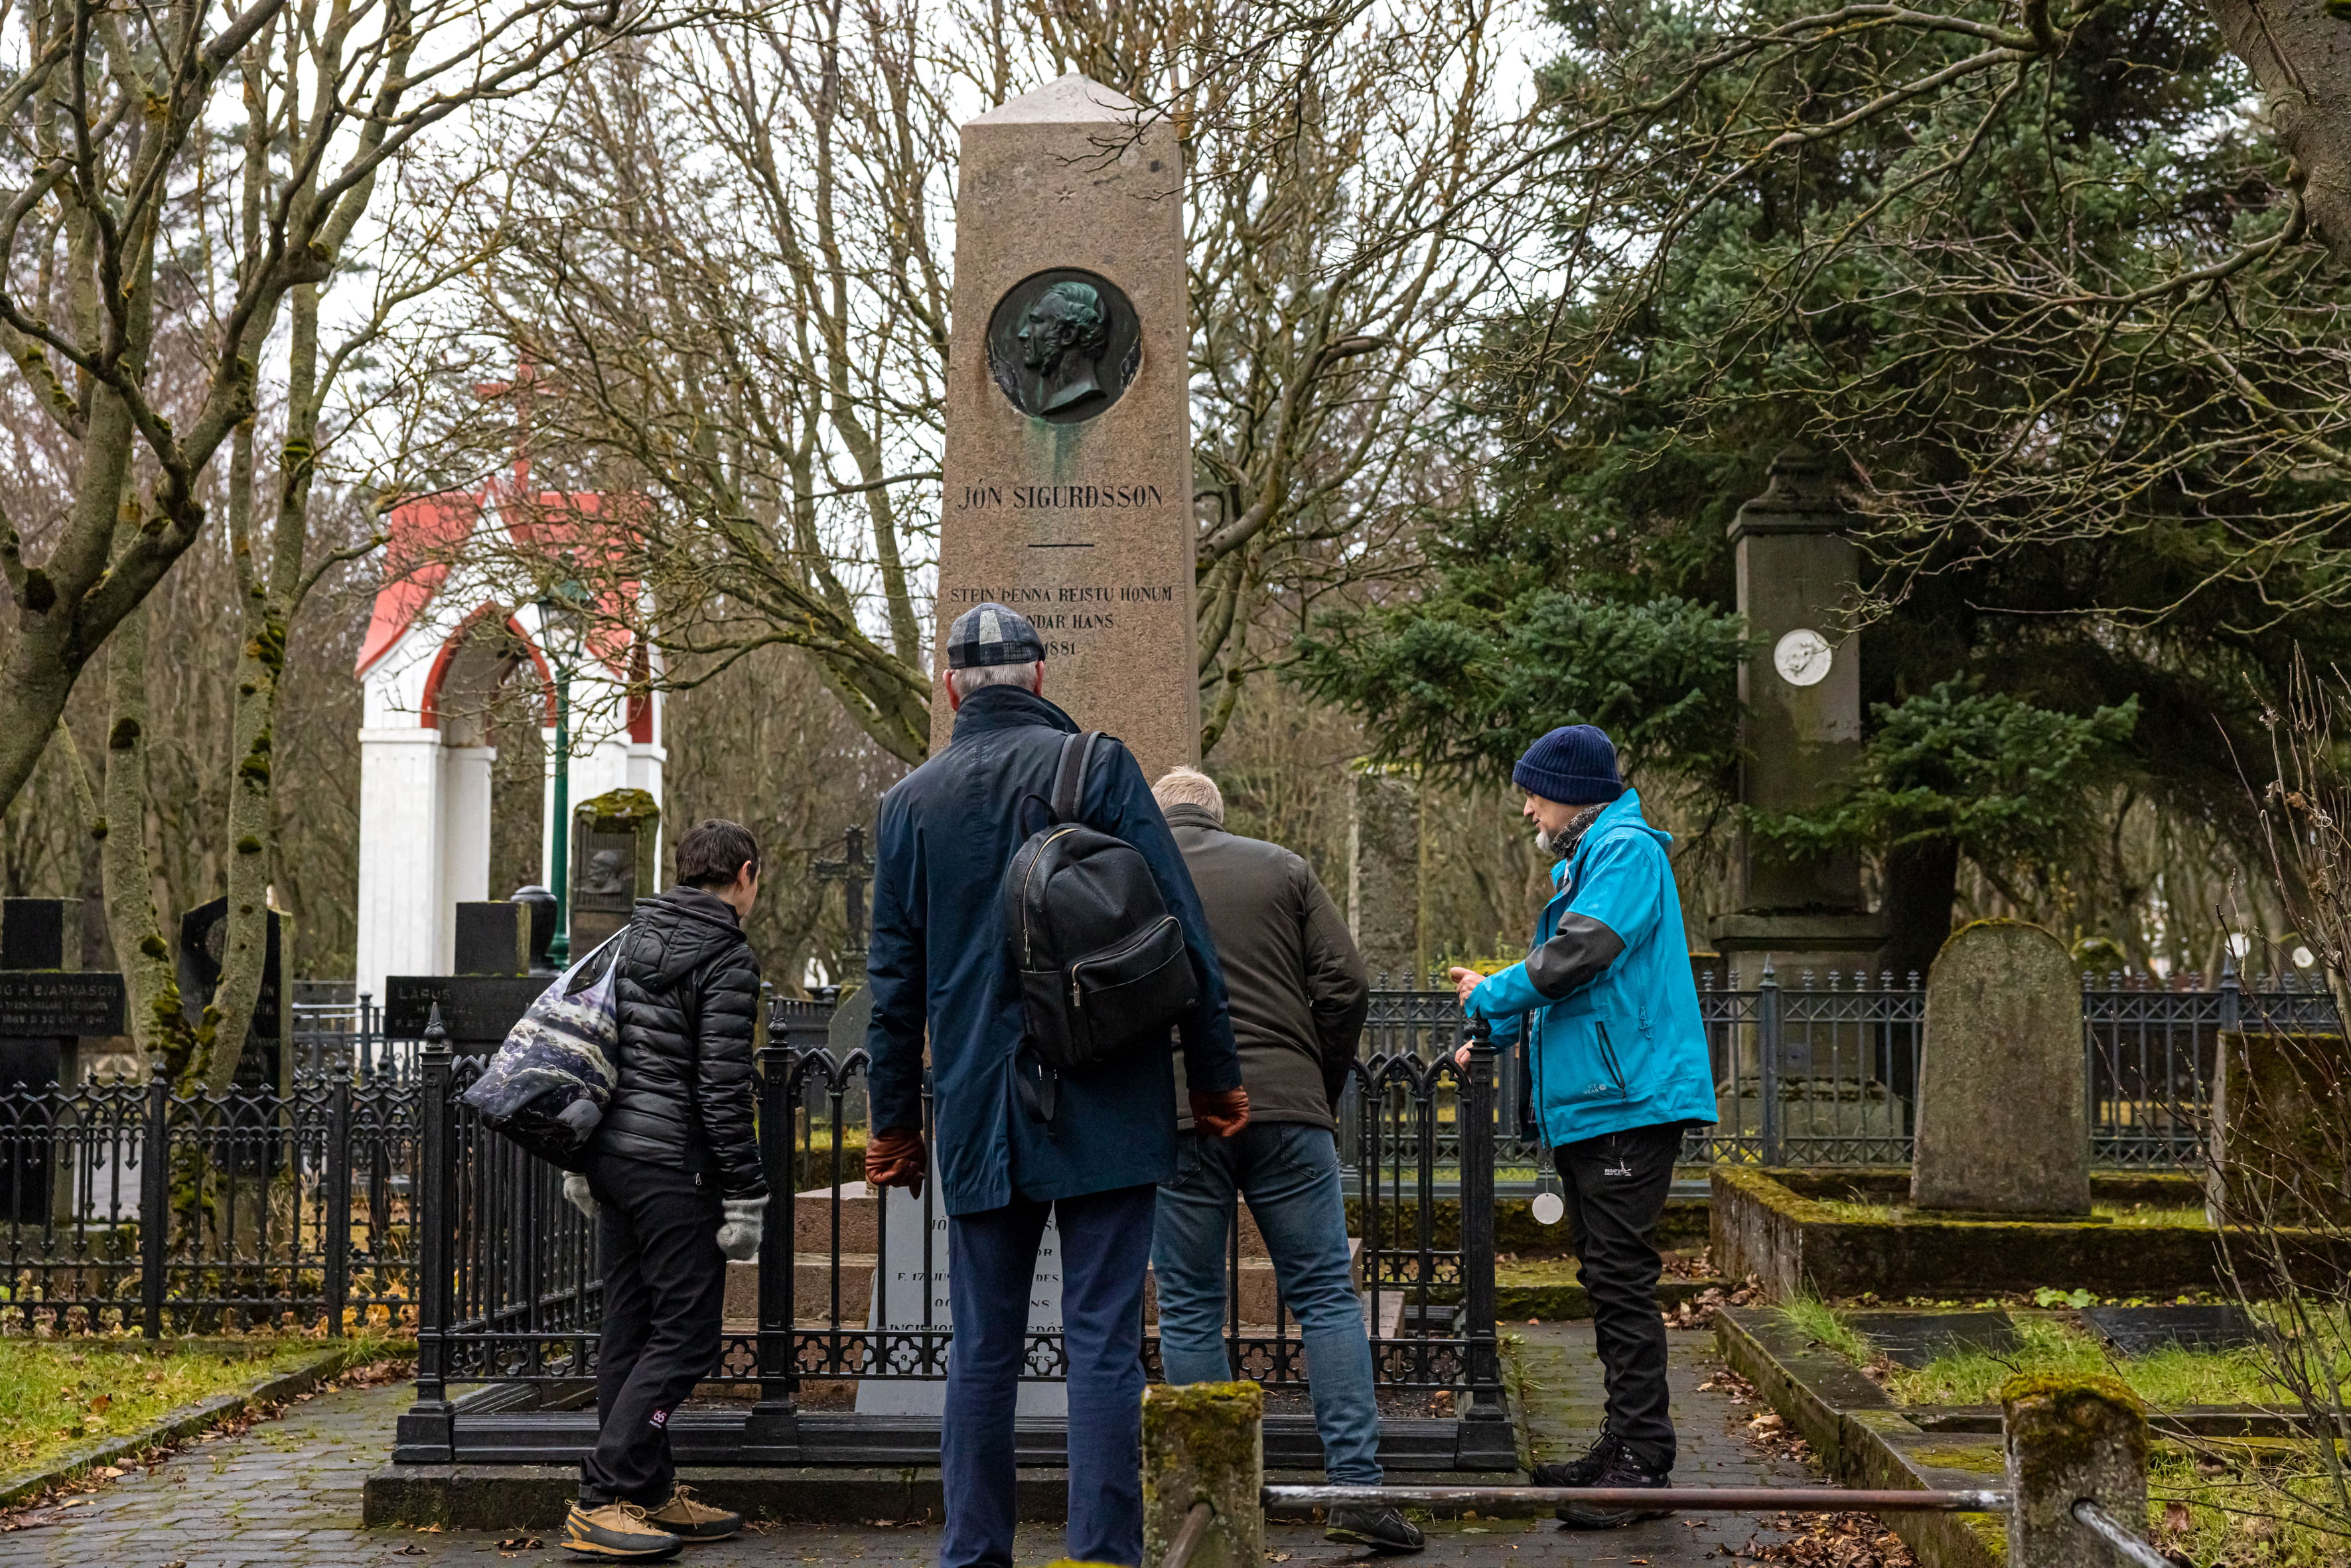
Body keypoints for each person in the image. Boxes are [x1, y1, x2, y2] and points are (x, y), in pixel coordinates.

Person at [862, 603, 1250, 1568]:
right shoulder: (1099, 767)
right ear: (1037, 678)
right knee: (1103, 1340)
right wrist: (1214, 1076)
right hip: (1107, 1093)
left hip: (981, 1107)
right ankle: (1102, 1552)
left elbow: (892, 984)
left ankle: (972, 1552)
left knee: (982, 1344)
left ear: (950, 686)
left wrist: (892, 1125)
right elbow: (1180, 932)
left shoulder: (909, 803)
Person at [1148, 768, 1425, 1555]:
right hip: (1287, 1111)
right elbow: (1346, 982)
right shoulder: (1282, 867)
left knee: (1193, 1304)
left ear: (1160, 817)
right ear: (1218, 815)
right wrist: (1317, 1078)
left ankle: (1211, 1495)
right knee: (1327, 1297)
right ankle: (1356, 1488)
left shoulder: (1135, 871)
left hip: (1181, 1113)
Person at [1449, 726, 1715, 1529]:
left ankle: (1643, 1461)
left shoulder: (1626, 850)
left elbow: (1582, 955)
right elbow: (1573, 991)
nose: (1527, 805)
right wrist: (1488, 1031)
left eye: (1535, 791)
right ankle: (1625, 1441)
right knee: (1605, 1276)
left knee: (1621, 1279)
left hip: (1630, 1101)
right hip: (1604, 1100)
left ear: (1573, 792)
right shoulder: (1591, 858)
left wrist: (1494, 993)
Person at [557, 820, 770, 1561]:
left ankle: (643, 1490)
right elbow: (721, 1089)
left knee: (632, 1321)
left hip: (614, 1158)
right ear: (744, 874)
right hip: (674, 1166)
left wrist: (580, 1159)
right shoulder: (726, 955)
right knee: (686, 1335)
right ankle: (603, 1492)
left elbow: (589, 1048)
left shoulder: (625, 939)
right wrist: (745, 1192)